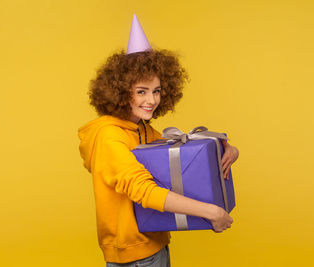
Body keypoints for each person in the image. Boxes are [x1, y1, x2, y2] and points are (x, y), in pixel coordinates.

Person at [78, 15, 239, 266]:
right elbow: (144, 191)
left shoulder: (142, 130)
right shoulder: (109, 136)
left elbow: (181, 150)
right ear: (121, 92)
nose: (151, 100)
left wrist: (227, 147)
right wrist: (211, 212)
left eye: (157, 91)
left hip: (155, 243)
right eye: (141, 91)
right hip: (134, 255)